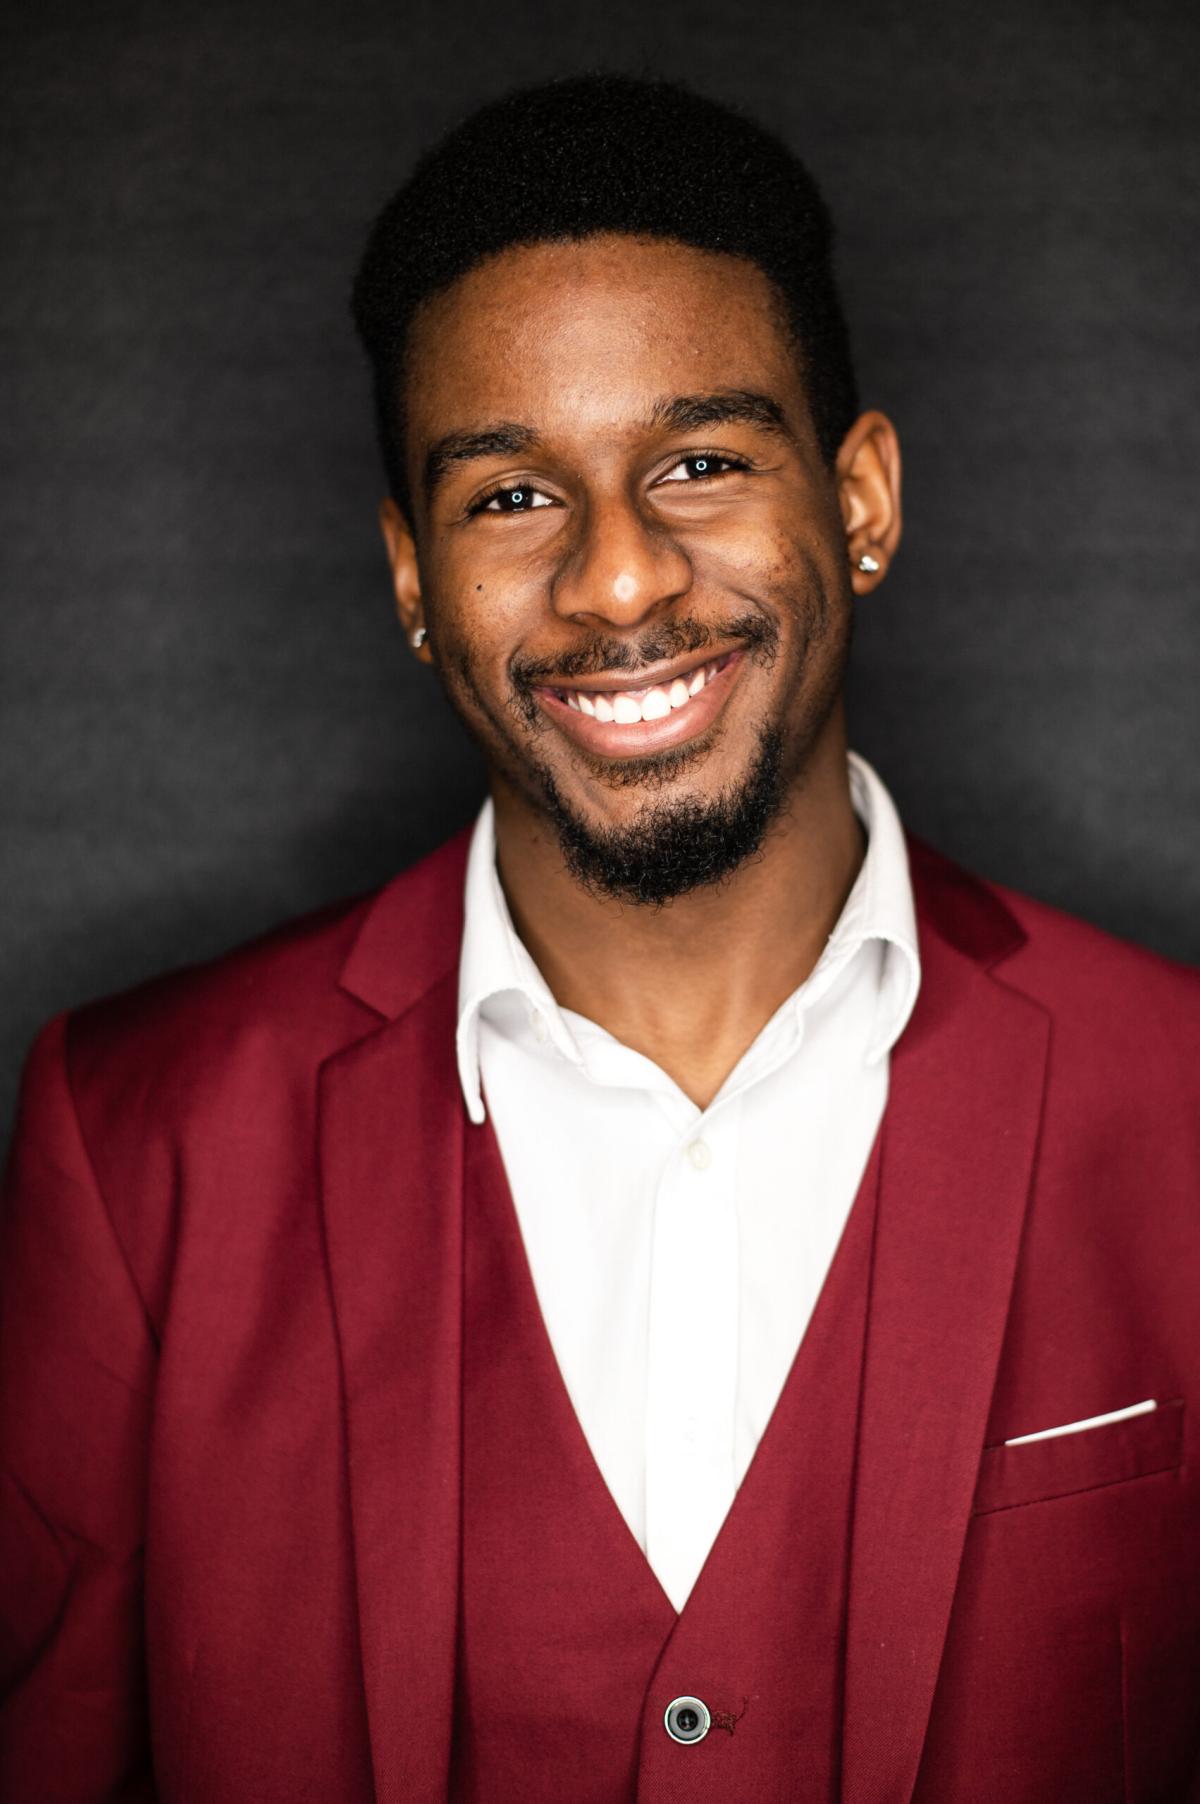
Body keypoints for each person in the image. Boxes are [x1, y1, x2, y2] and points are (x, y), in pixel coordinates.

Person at [1, 72, 1197, 1804]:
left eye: (701, 462)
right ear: (413, 578)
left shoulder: (1176, 1102)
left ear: (858, 503)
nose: (619, 579)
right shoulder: (138, 1146)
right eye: (509, 497)